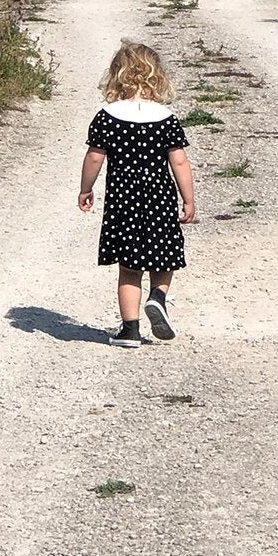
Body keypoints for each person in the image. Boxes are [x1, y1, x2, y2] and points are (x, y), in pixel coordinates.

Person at [78, 41, 195, 347]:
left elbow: (94, 157)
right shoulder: (166, 117)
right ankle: (158, 297)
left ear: (116, 76)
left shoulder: (107, 116)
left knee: (129, 268)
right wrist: (188, 199)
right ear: (157, 78)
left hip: (122, 200)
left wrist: (85, 189)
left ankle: (130, 330)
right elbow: (179, 160)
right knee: (164, 254)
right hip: (159, 197)